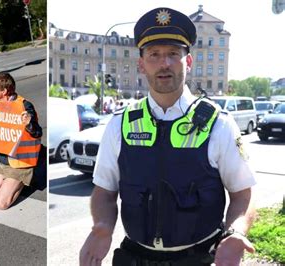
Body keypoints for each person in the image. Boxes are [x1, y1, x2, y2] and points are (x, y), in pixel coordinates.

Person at [80, 8, 256, 266]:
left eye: (174, 54)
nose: (164, 64)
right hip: (134, 258)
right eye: (154, 55)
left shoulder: (218, 124)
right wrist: (102, 226)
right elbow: (105, 191)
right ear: (141, 64)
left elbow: (243, 195)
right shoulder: (120, 124)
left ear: (189, 61)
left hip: (199, 258)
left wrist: (236, 232)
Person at [0, 72, 42, 210]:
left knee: (0, 204)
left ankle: (23, 182)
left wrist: (29, 124)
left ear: (4, 91)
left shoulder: (24, 105)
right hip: (3, 163)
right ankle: (9, 183)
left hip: (20, 163)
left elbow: (38, 132)